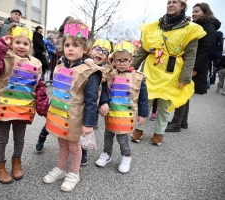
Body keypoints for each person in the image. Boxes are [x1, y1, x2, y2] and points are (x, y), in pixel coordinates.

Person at [130, 0, 206, 145]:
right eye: (169, 2)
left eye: (175, 2)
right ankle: (139, 129)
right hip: (151, 70)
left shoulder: (191, 29)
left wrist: (185, 77)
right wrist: (132, 68)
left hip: (172, 72)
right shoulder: (153, 27)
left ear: (182, 6)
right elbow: (143, 50)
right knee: (145, 101)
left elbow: (190, 55)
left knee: (165, 105)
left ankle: (159, 133)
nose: (171, 4)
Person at [0, 24, 49, 184]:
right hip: (3, 108)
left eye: (25, 44)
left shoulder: (36, 63)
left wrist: (43, 107)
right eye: (17, 42)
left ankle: (16, 162)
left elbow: (39, 86)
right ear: (11, 43)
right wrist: (0, 44)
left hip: (22, 108)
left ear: (30, 46)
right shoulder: (3, 58)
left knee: (20, 139)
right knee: (1, 140)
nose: (21, 46)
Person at [42, 19, 101, 192]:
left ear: (85, 49)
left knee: (74, 147)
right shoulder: (59, 67)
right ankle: (61, 168)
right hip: (59, 115)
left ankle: (74, 173)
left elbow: (91, 100)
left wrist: (89, 124)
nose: (70, 48)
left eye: (75, 45)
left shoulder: (89, 71)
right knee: (61, 143)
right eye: (67, 45)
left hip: (76, 118)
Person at [165, 2, 222, 132]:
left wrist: (195, 68)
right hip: (192, 64)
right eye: (193, 11)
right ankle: (182, 121)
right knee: (185, 92)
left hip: (196, 65)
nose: (193, 14)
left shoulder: (209, 27)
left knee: (182, 91)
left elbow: (206, 50)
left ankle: (176, 123)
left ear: (205, 12)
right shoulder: (201, 26)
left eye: (197, 11)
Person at [95, 41, 148, 173]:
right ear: (114, 60)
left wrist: (142, 114)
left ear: (132, 60)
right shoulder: (110, 74)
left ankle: (126, 155)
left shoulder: (138, 77)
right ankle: (107, 154)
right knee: (108, 135)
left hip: (125, 115)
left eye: (125, 60)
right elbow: (105, 91)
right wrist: (104, 103)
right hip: (111, 113)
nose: (122, 63)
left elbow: (143, 98)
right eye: (119, 60)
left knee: (122, 138)